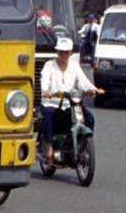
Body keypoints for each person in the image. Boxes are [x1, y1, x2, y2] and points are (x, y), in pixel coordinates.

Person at [39, 37, 103, 165]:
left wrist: (94, 89)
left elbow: (84, 82)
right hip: (51, 104)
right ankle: (49, 148)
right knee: (49, 120)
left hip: (70, 104)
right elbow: (44, 79)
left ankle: (82, 144)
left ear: (71, 53)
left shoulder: (74, 66)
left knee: (89, 118)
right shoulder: (49, 65)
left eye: (66, 52)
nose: (63, 55)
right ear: (57, 52)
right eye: (61, 52)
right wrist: (46, 91)